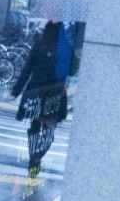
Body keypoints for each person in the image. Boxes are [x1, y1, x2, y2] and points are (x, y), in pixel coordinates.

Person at [12, 20, 81, 176]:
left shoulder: (39, 45)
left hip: (36, 92)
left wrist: (16, 91)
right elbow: (71, 72)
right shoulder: (65, 49)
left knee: (35, 128)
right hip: (55, 94)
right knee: (48, 131)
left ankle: (34, 159)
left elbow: (27, 68)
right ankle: (38, 156)